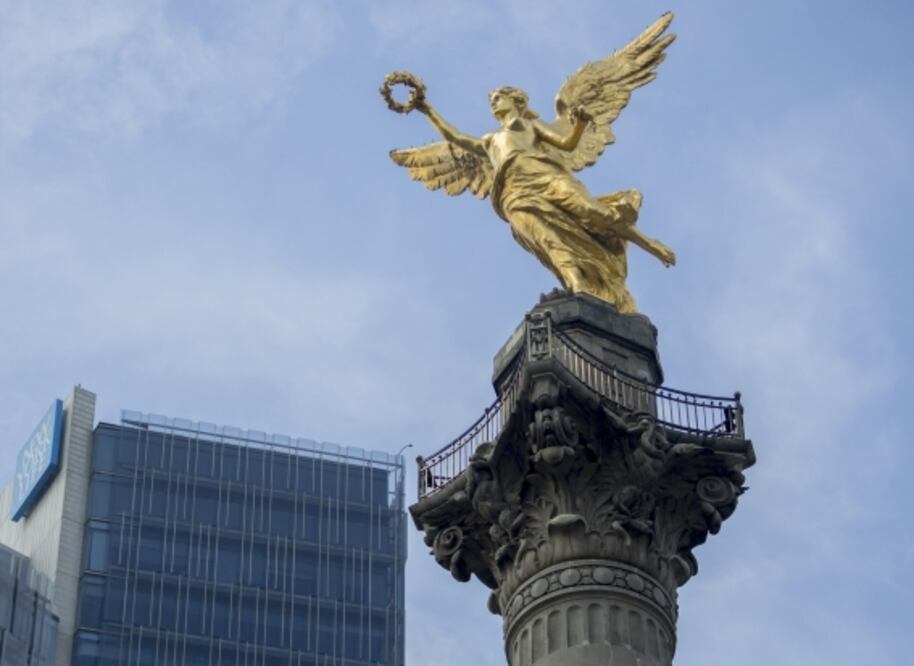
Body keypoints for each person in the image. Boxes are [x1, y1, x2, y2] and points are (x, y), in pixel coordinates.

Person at [413, 86, 676, 313]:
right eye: (491, 99)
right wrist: (426, 110)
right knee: (547, 239)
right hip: (514, 194)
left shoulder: (530, 126)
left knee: (592, 211)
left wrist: (581, 124)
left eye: (498, 97)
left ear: (517, 101)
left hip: (547, 176)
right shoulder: (489, 140)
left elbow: (567, 144)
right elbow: (454, 137)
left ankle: (650, 244)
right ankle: (578, 285)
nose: (493, 102)